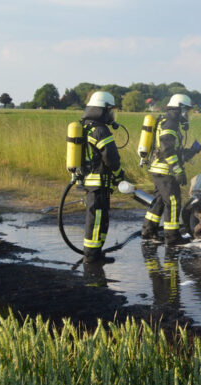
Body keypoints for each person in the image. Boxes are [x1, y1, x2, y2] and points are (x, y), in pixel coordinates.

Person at [141, 94, 192, 245]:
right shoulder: (170, 123)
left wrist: (190, 152)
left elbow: (171, 149)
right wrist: (178, 170)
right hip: (165, 171)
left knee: (159, 201)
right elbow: (167, 149)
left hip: (159, 169)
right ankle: (172, 237)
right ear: (180, 109)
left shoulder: (166, 120)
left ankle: (148, 231)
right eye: (187, 111)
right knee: (173, 202)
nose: (187, 115)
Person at [81, 91, 125, 263]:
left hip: (92, 181)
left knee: (98, 217)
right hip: (98, 183)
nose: (112, 114)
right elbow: (111, 158)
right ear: (103, 110)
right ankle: (92, 256)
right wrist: (118, 173)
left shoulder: (86, 126)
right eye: (110, 110)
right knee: (97, 218)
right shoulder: (100, 130)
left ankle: (95, 252)